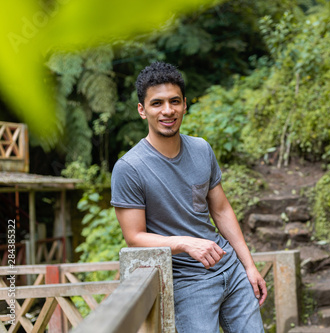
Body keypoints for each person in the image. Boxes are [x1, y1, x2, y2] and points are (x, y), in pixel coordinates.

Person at [110, 61, 267, 333]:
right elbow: (134, 237)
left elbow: (221, 210)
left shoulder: (202, 149)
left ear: (185, 104)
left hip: (231, 268)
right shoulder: (129, 168)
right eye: (157, 103)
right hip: (186, 280)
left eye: (174, 101)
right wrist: (186, 244)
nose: (167, 110)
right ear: (142, 110)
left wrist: (249, 265)